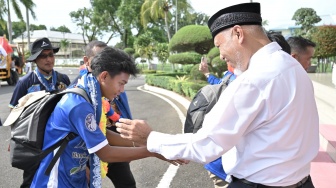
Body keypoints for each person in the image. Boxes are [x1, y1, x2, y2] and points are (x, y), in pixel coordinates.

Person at [116, 2, 319, 188]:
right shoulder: (293, 67)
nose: (221, 55)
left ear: (238, 34)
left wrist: (150, 138)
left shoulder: (255, 80)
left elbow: (207, 144)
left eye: (219, 44)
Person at [71, 40, 137, 188]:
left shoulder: (109, 86)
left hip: (111, 140)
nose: (122, 89)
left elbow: (122, 116)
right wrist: (150, 149)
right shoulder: (79, 96)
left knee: (127, 183)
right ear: (87, 61)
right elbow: (103, 149)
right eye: (101, 58)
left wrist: (134, 144)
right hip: (88, 149)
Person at [9, 37, 70, 109]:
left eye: (51, 55)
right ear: (35, 59)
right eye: (43, 56)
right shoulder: (24, 83)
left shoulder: (64, 79)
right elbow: (13, 110)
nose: (49, 59)